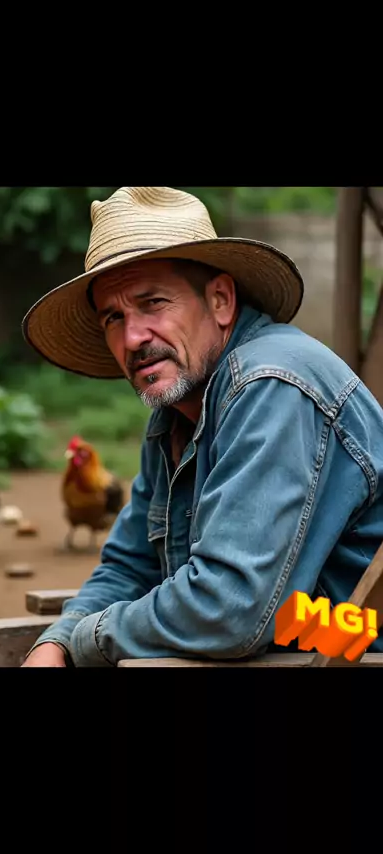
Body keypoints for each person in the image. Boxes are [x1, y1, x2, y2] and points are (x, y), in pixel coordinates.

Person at [20, 186, 383, 667]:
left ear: (220, 301)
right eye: (114, 317)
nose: (133, 337)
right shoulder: (175, 416)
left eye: (153, 303)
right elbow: (129, 567)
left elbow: (228, 608)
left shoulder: (271, 385)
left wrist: (89, 639)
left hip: (354, 648)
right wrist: (59, 642)